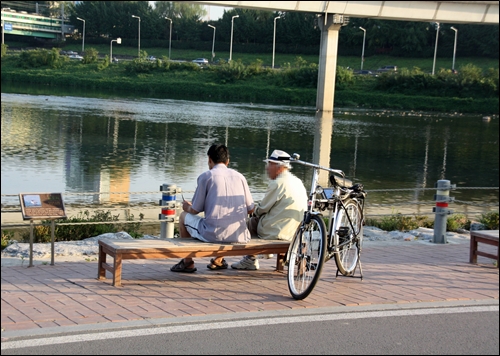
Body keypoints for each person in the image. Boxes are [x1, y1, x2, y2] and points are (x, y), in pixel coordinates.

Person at [170, 144, 255, 273]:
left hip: (213, 234)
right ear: (228, 161)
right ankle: (218, 260)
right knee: (226, 220)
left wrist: (186, 206)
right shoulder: (240, 177)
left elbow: (195, 210)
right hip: (239, 235)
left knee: (183, 216)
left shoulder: (206, 177)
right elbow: (250, 209)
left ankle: (188, 262)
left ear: (209, 159)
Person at [231, 149, 308, 270]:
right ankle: (257, 257)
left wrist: (252, 210)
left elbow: (262, 209)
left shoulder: (277, 183)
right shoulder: (298, 181)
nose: (267, 168)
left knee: (250, 223)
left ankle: (250, 259)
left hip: (277, 231)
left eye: (269, 164)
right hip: (295, 231)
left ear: (278, 167)